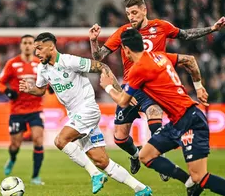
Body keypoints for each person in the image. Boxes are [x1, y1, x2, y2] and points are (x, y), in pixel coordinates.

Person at [88, 0, 225, 179]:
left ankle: (160, 162)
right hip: (130, 87)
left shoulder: (161, 26)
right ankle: (137, 155)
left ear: (145, 10)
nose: (132, 17)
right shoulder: (124, 32)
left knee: (154, 115)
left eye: (135, 13)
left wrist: (212, 29)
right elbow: (99, 57)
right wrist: (93, 40)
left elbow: (185, 35)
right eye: (129, 14)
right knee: (120, 138)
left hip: (153, 87)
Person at [100, 28, 225, 196]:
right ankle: (188, 182)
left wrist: (107, 85)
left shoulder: (139, 68)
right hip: (177, 120)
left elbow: (122, 100)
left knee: (200, 177)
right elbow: (189, 61)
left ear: (126, 49)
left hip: (189, 120)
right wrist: (199, 87)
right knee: (146, 155)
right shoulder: (160, 56)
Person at [19, 32, 152, 196]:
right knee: (102, 161)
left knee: (61, 140)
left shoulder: (70, 61)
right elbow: (41, 90)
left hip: (88, 109)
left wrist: (120, 91)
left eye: (39, 48)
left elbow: (103, 66)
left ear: (51, 47)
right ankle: (141, 188)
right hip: (75, 115)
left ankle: (95, 175)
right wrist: (30, 89)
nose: (36, 53)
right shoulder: (43, 68)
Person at [0, 35, 45, 185]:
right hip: (17, 111)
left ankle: (35, 176)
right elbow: (0, 83)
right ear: (21, 46)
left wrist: (49, 89)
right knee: (15, 145)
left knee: (38, 139)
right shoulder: (12, 64)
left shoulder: (40, 64)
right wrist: (8, 91)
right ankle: (12, 158)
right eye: (25, 43)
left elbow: (48, 82)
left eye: (31, 43)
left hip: (35, 110)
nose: (28, 46)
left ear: (35, 46)